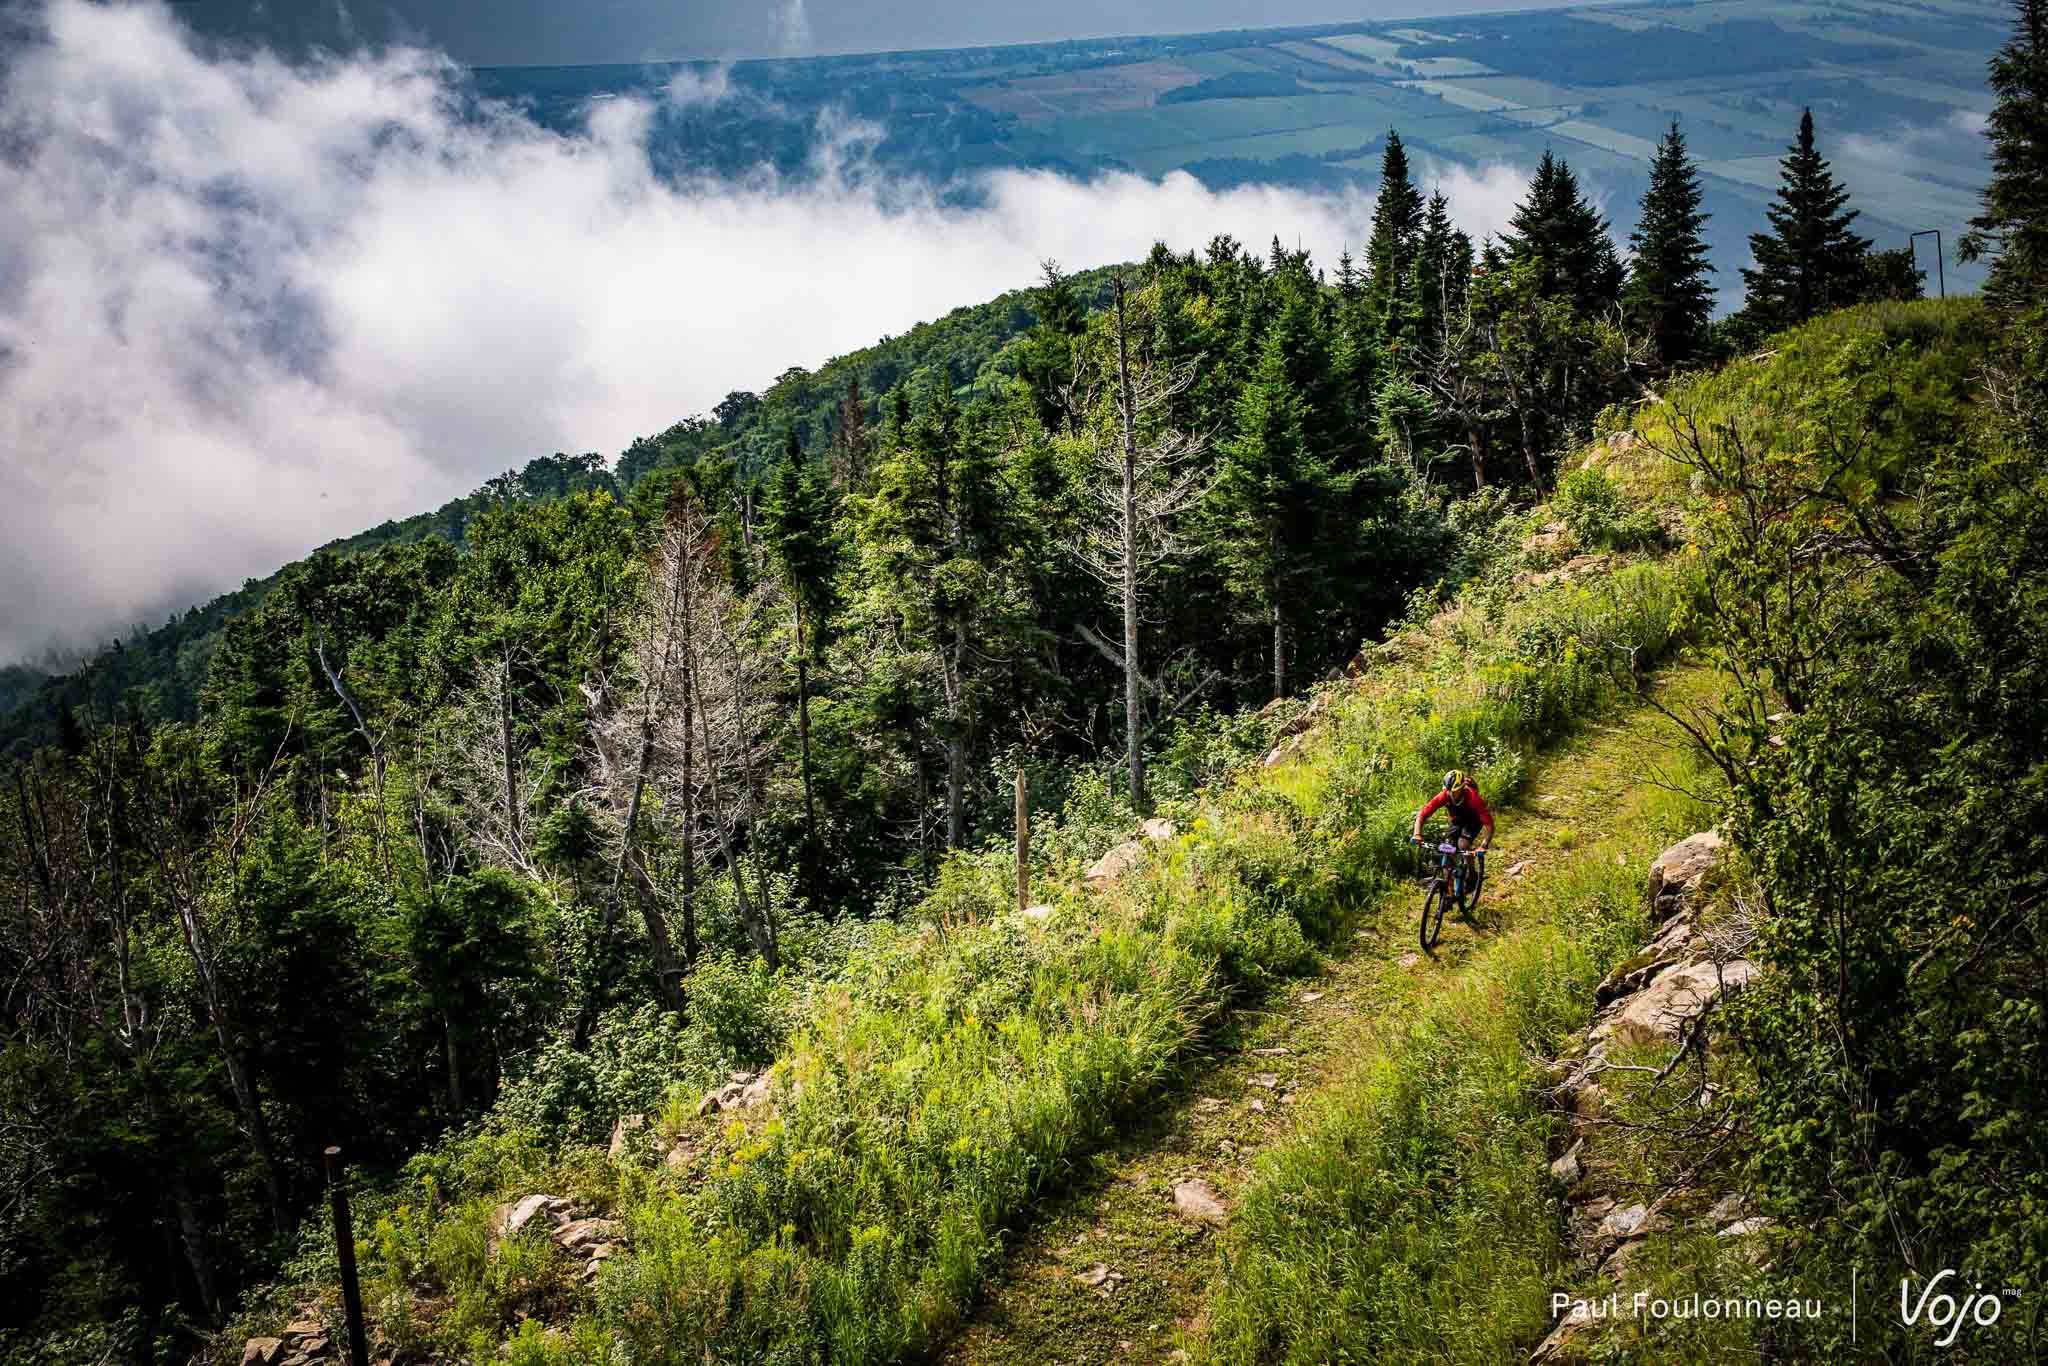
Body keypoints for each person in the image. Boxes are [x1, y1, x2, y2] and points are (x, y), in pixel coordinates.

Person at [1413, 768, 1493, 854]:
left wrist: (1484, 844)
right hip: (1457, 819)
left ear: (1462, 788)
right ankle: (1451, 864)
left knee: (1463, 844)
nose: (1451, 794)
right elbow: (1422, 814)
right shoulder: (1445, 795)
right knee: (1447, 847)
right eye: (1449, 791)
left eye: (1454, 791)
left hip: (1474, 819)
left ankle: (1471, 866)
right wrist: (1417, 833)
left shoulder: (1473, 797)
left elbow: (1489, 825)